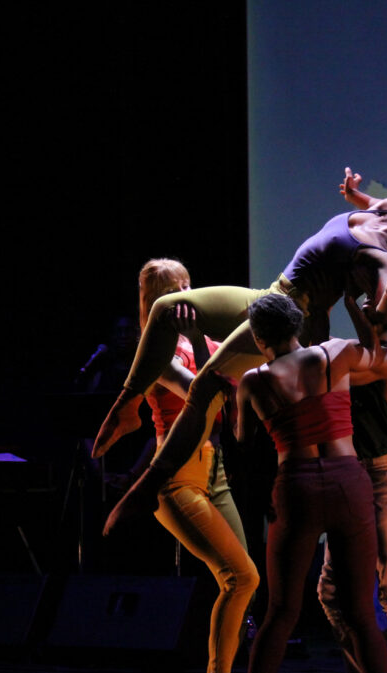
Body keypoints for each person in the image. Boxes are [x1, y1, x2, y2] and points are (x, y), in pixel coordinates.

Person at [99, 169, 387, 532]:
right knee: (165, 307)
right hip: (270, 294)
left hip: (288, 315)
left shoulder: (380, 262)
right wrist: (355, 196)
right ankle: (128, 406)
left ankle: (147, 487)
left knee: (206, 384)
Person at [235, 286, 387, 673]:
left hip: (296, 487)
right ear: (296, 324)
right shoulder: (335, 353)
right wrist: (357, 312)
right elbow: (382, 357)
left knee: (281, 612)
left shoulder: (253, 381)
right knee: (362, 614)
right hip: (348, 481)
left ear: (258, 336)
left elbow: (243, 442)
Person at [132, 258, 258, 673]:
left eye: (188, 284)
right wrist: (199, 340)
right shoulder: (152, 351)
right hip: (177, 474)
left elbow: (240, 384)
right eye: (175, 289)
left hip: (214, 468)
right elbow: (200, 391)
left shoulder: (199, 339)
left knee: (242, 582)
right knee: (241, 578)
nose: (188, 295)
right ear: (155, 301)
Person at [317, 319, 387, 673]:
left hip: (384, 473)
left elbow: (334, 372)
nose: (365, 301)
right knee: (330, 590)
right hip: (348, 473)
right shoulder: (347, 353)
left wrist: (347, 306)